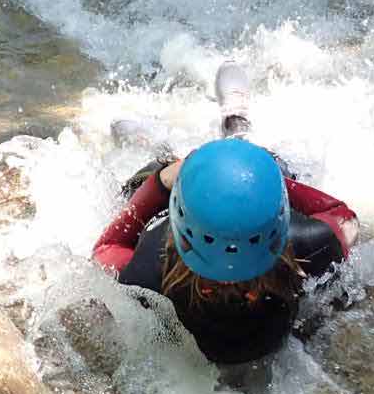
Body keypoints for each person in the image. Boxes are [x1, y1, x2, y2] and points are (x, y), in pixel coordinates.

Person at [92, 66, 359, 365]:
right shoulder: (313, 246)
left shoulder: (149, 272)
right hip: (261, 219)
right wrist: (268, 182)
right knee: (273, 164)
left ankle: (159, 150)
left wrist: (160, 184)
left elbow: (104, 252)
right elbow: (342, 216)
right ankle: (237, 131)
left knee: (144, 181)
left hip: (186, 205)